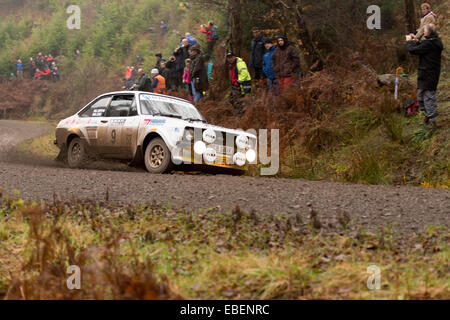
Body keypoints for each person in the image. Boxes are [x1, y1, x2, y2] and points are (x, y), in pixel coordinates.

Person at [406, 24, 443, 129]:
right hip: (426, 73)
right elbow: (423, 45)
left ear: (428, 33)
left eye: (424, 31)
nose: (423, 33)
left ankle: (432, 122)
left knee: (428, 97)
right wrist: (416, 40)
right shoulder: (433, 41)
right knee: (421, 97)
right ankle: (428, 117)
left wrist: (408, 41)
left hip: (429, 74)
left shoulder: (431, 43)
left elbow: (413, 50)